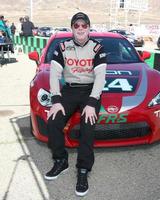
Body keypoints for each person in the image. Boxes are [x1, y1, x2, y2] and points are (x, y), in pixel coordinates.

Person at [45, 12, 107, 197]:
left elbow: (100, 78)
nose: (80, 28)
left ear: (89, 28)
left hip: (90, 91)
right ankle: (60, 160)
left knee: (87, 127)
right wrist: (56, 100)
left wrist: (92, 101)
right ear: (72, 28)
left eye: (84, 25)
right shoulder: (62, 46)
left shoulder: (98, 48)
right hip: (70, 90)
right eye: (76, 25)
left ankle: (83, 170)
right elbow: (54, 74)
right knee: (53, 121)